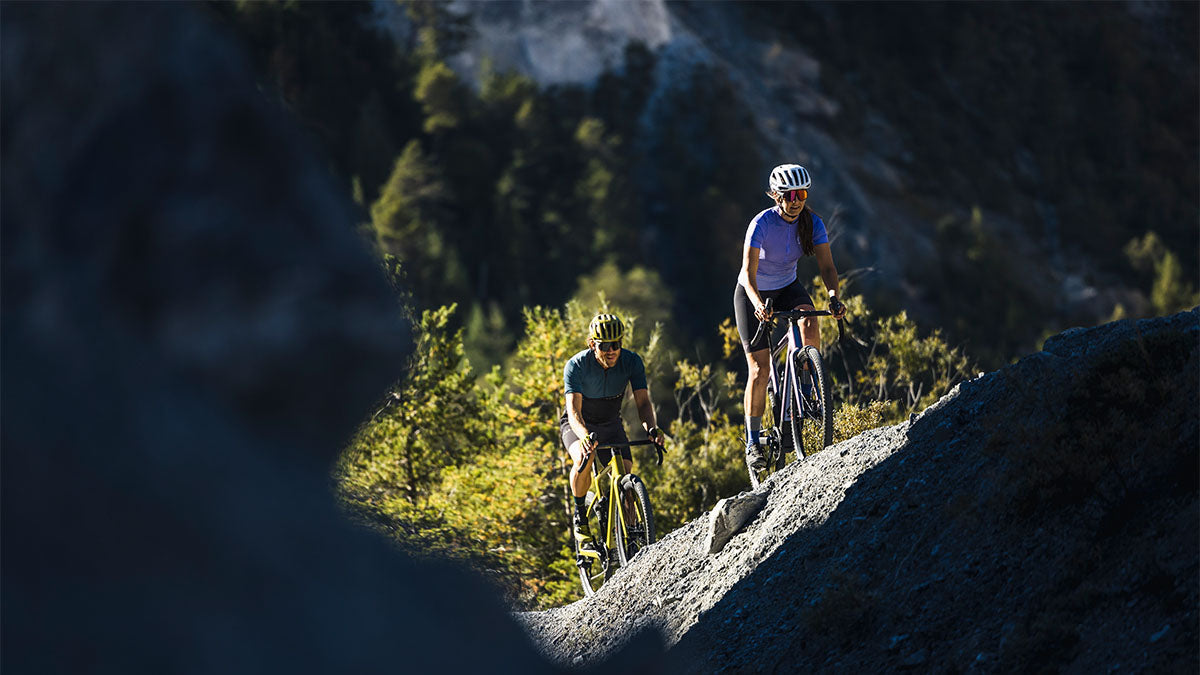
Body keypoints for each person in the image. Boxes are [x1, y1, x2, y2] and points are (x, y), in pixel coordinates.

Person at [734, 163, 847, 470]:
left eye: (802, 193)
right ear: (776, 196)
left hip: (787, 286)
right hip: (753, 292)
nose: (797, 200)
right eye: (790, 194)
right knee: (759, 368)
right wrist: (758, 304)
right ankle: (753, 442)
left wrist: (834, 297)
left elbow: (827, 268)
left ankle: (807, 393)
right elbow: (747, 273)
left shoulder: (812, 223)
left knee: (810, 319)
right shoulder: (761, 224)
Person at [561, 312, 664, 554]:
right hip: (578, 424)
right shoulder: (576, 366)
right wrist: (585, 436)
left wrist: (651, 428)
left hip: (609, 423)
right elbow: (574, 412)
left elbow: (643, 404)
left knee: (626, 473)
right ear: (591, 344)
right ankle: (580, 515)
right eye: (604, 345)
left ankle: (629, 537)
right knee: (582, 459)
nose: (611, 350)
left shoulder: (632, 362)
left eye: (616, 344)